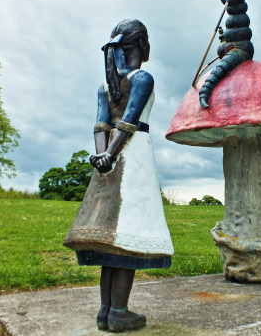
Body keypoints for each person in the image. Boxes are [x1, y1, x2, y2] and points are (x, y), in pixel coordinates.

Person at [63, 19, 174, 332]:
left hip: (107, 164)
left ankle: (106, 310)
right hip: (131, 157)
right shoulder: (143, 78)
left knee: (110, 237)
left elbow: (101, 124)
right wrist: (111, 155)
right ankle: (119, 311)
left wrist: (101, 157)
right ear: (141, 44)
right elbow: (129, 121)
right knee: (125, 236)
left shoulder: (104, 85)